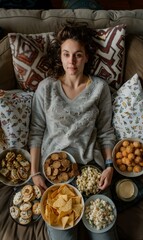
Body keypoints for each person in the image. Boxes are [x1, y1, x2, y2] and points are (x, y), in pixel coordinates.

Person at [28, 21, 118, 240]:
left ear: (86, 57)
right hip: (55, 177)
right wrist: (35, 172)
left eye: (78, 55)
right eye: (66, 54)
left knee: (105, 237)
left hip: (92, 172)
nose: (71, 61)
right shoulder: (46, 88)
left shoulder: (100, 88)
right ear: (59, 55)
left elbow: (106, 131)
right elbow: (36, 132)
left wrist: (109, 166)